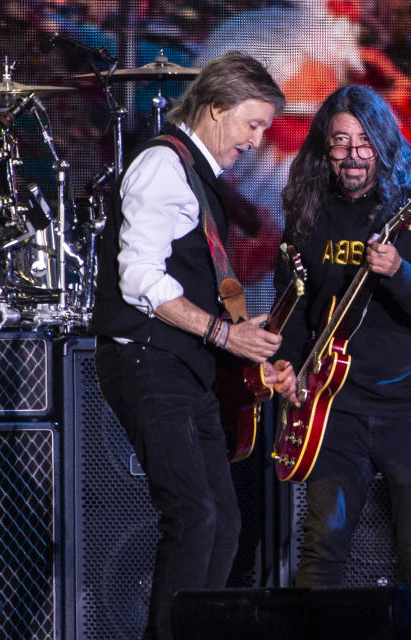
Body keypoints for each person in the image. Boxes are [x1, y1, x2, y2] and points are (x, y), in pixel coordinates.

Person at [90, 51, 294, 640]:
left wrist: (242, 336)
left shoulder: (197, 176)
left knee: (223, 521)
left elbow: (197, 285)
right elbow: (138, 279)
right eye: (252, 125)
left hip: (185, 365)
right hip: (147, 361)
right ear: (214, 108)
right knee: (195, 514)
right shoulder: (161, 165)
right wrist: (223, 332)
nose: (257, 141)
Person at [274, 85, 411, 594]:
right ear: (325, 148)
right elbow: (294, 307)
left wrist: (400, 273)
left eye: (364, 142)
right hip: (333, 409)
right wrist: (288, 366)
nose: (353, 155)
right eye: (340, 142)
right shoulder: (309, 209)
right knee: (322, 553)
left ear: (383, 143)